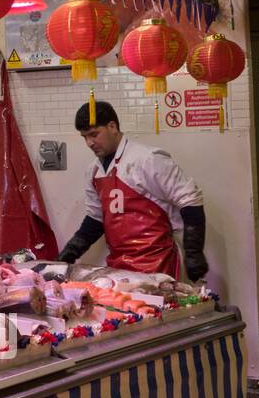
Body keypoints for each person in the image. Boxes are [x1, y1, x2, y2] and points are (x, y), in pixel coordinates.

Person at [58, 101, 208, 280]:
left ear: (112, 126)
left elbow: (190, 199)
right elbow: (96, 218)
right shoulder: (93, 171)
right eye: (84, 137)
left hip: (159, 262)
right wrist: (70, 252)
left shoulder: (147, 159)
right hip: (118, 265)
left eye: (94, 134)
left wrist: (193, 251)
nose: (89, 143)